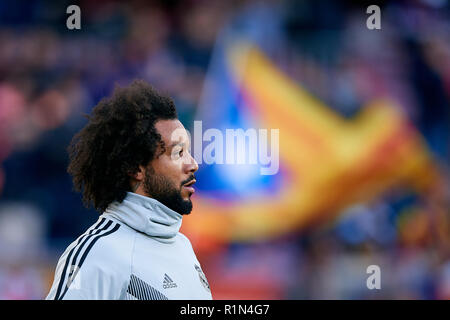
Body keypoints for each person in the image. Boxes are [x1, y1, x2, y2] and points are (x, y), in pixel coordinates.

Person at [46, 80, 212, 300]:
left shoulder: (183, 247)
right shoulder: (97, 254)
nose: (193, 164)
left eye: (188, 152)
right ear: (136, 167)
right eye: (178, 153)